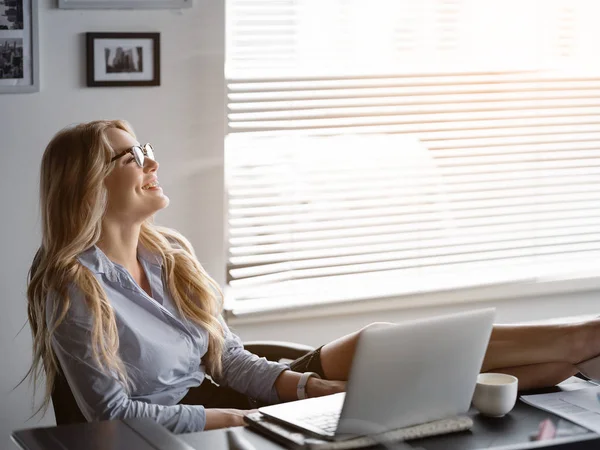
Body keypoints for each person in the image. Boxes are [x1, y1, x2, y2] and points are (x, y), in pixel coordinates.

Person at [25, 120, 600, 433]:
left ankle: (583, 346)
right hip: (189, 430)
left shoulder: (168, 254)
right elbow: (112, 415)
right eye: (131, 157)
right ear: (88, 185)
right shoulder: (71, 285)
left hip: (245, 401)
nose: (151, 163)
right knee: (419, 378)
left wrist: (302, 389)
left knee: (391, 353)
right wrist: (246, 417)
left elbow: (229, 358)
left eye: (145, 148)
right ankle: (583, 348)